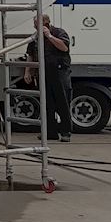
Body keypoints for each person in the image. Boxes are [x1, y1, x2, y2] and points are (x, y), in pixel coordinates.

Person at [36, 13, 73, 142]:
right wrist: (28, 71)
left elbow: (64, 47)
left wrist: (49, 36)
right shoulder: (37, 36)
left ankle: (65, 132)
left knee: (62, 102)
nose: (35, 27)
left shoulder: (59, 32)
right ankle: (50, 132)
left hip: (59, 72)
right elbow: (31, 52)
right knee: (47, 104)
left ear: (46, 23)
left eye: (37, 24)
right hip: (44, 72)